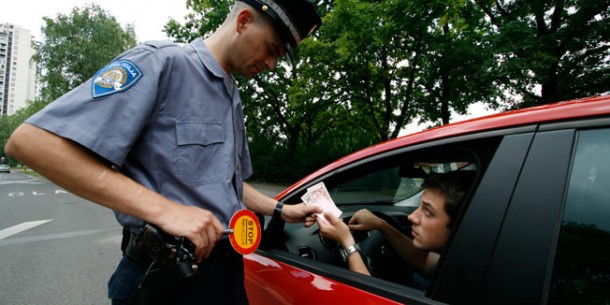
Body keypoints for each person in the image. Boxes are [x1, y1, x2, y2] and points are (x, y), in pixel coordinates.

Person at [4, 0, 323, 304]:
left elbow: (228, 183)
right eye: (272, 49)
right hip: (169, 275)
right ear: (243, 21)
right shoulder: (161, 64)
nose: (272, 64)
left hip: (226, 272)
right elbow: (31, 142)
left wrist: (280, 209)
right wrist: (165, 210)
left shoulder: (232, 95)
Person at [317, 170, 475, 282]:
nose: (412, 216)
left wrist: (347, 243)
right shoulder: (462, 262)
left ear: (460, 224)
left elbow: (368, 300)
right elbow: (423, 261)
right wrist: (381, 225)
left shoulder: (467, 286)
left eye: (428, 212)